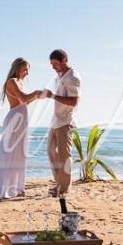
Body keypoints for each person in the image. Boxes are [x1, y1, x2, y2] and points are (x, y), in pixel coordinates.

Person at [0, 58, 44, 199]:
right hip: (15, 121)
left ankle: (17, 188)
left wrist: (36, 96)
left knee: (19, 155)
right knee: (10, 155)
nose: (27, 73)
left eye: (28, 70)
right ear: (17, 69)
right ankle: (4, 190)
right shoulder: (12, 82)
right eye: (25, 69)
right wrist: (36, 93)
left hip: (21, 121)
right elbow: (23, 98)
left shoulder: (20, 83)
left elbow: (25, 102)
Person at [44, 49, 81, 197]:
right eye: (51, 64)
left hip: (66, 121)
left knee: (64, 155)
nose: (53, 67)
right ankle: (60, 183)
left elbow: (74, 101)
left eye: (55, 64)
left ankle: (64, 188)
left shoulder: (73, 77)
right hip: (55, 120)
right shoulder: (58, 75)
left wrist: (52, 96)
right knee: (51, 151)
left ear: (64, 60)